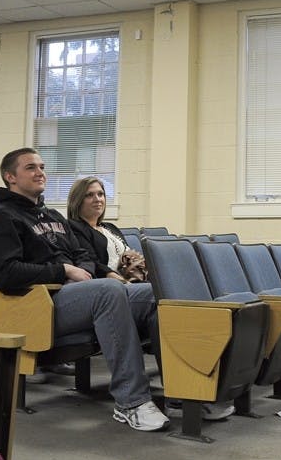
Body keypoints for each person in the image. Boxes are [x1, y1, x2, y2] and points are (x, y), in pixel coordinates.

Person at [0, 148, 169, 432]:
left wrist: (83, 272)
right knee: (108, 291)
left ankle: (181, 390)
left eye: (41, 166)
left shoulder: (52, 215)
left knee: (155, 293)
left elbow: (83, 254)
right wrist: (64, 271)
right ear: (10, 177)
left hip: (76, 296)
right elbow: (4, 274)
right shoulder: (1, 218)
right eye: (30, 167)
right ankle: (132, 402)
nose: (40, 172)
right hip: (38, 305)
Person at [65, 175, 235, 421]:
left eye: (100, 194)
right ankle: (137, 399)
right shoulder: (75, 229)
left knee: (166, 310)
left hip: (130, 284)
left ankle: (182, 392)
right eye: (90, 195)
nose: (97, 199)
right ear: (78, 200)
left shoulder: (110, 228)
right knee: (159, 297)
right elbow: (90, 262)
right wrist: (117, 276)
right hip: (108, 287)